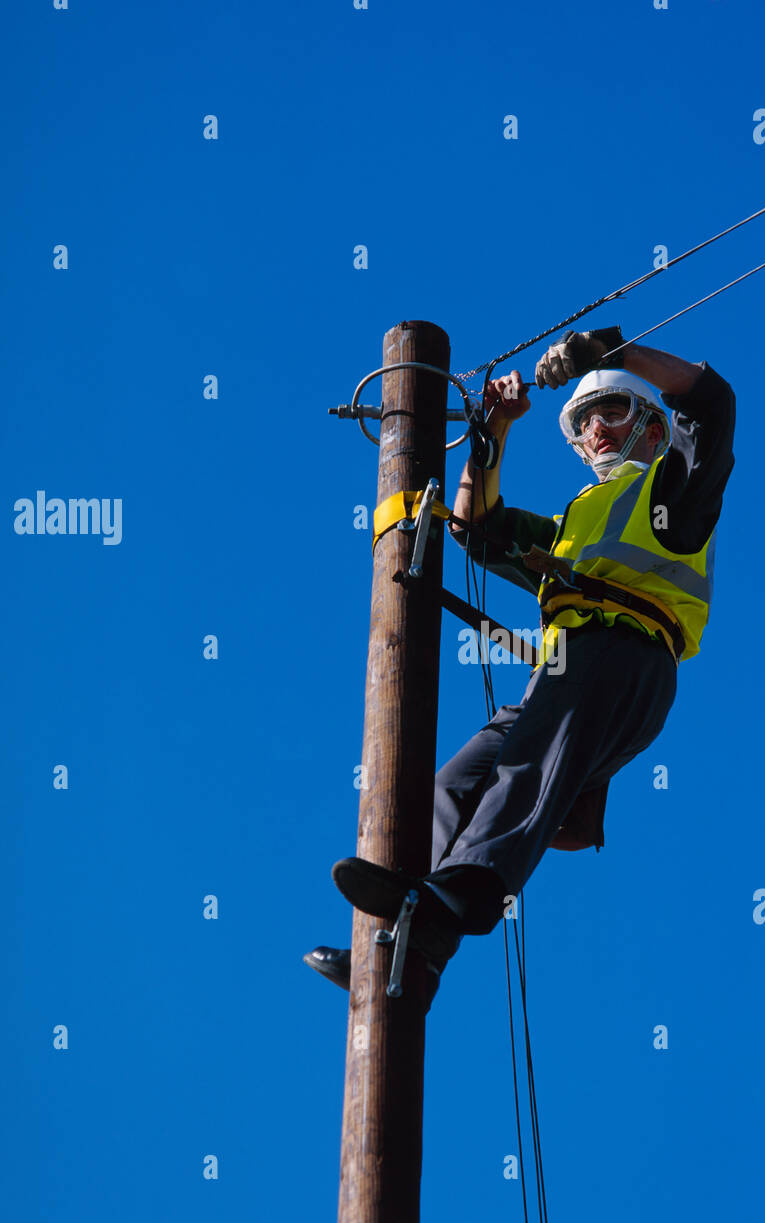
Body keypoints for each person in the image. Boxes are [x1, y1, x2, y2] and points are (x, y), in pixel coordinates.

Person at [305, 325, 736, 1008]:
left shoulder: (675, 487)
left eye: (613, 410)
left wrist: (613, 354)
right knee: (453, 784)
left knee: (521, 772)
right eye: (584, 419)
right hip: (567, 669)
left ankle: (458, 895)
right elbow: (476, 530)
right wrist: (494, 433)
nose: (595, 427)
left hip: (625, 657)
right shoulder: (575, 520)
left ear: (653, 425)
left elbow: (713, 401)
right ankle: (407, 944)